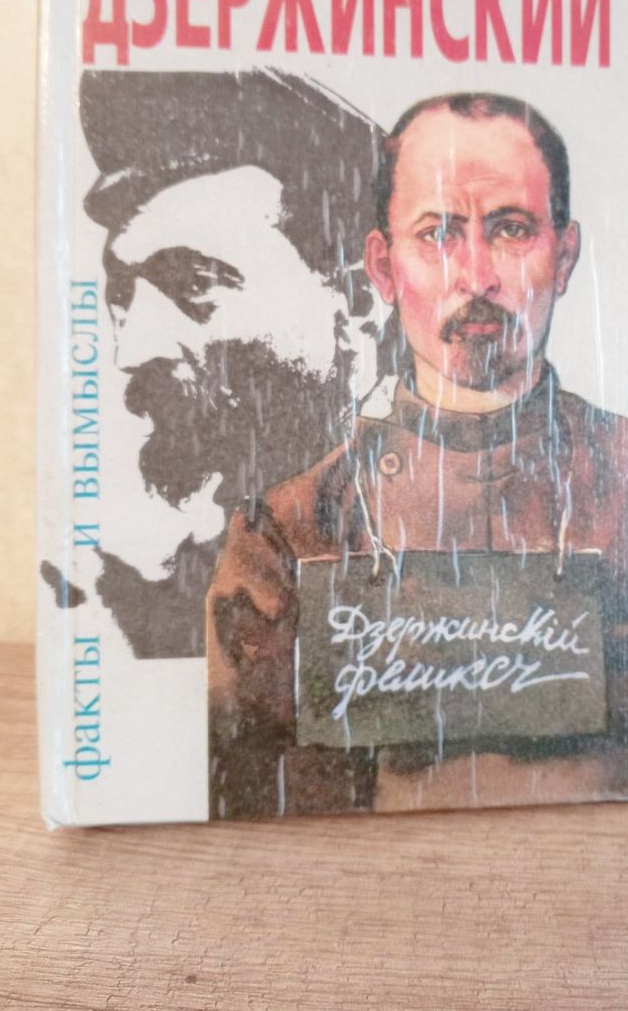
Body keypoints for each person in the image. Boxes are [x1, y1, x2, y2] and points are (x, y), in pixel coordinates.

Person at [207, 92, 628, 818]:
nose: (476, 275)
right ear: (383, 266)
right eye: (438, 234)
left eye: (512, 229)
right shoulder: (290, 534)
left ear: (564, 256)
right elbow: (258, 794)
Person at [46, 69, 389, 657]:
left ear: (357, 307)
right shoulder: (116, 608)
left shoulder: (450, 546)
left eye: (194, 284)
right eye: (121, 298)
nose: (132, 352)